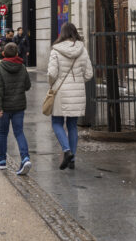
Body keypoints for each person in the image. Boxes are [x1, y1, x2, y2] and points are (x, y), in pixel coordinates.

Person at [47, 22, 93, 170]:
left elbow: (52, 74)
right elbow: (89, 74)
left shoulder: (56, 50)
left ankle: (66, 150)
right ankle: (72, 158)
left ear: (62, 33)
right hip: (78, 91)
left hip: (60, 91)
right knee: (73, 125)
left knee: (56, 122)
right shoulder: (83, 49)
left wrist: (52, 84)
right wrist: (78, 80)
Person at [0, 42, 32, 175]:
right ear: (16, 54)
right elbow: (27, 86)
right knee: (19, 132)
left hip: (4, 107)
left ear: (3, 54)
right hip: (19, 106)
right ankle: (25, 158)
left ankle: (2, 161)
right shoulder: (22, 67)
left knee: (3, 132)